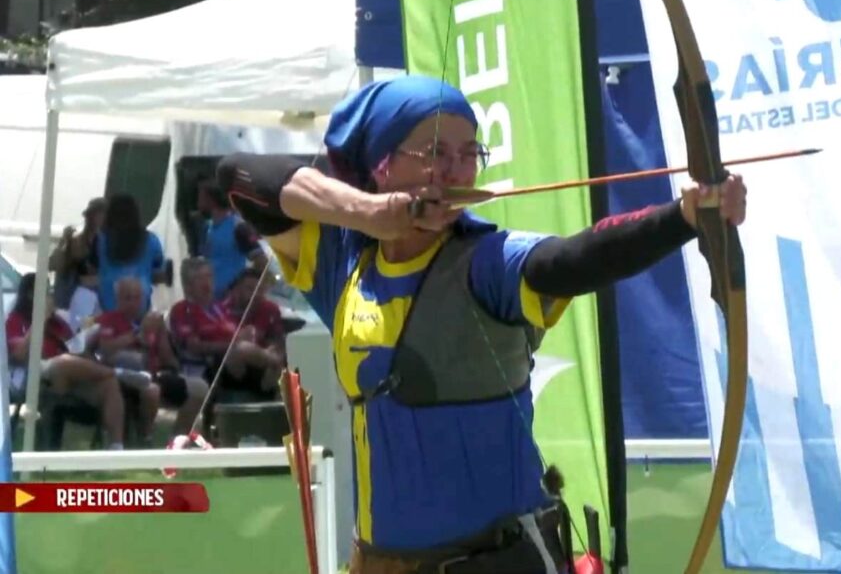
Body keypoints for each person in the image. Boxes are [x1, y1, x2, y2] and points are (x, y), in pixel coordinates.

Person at [215, 75, 747, 574]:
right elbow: (239, 176)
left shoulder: (488, 259)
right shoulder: (342, 257)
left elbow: (574, 259)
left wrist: (681, 218)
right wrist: (370, 214)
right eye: (435, 153)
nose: (457, 170)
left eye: (470, 154)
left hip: (497, 561)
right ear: (382, 165)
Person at [5, 273, 127, 450]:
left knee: (109, 384)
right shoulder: (15, 321)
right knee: (63, 362)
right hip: (34, 372)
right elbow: (19, 354)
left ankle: (116, 448)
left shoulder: (58, 323)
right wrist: (40, 319)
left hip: (69, 374)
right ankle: (119, 373)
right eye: (47, 292)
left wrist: (89, 344)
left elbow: (76, 349)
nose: (51, 297)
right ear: (32, 294)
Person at [91, 277, 209, 443]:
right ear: (117, 299)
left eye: (136, 297)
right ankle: (145, 438)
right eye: (127, 298)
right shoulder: (109, 320)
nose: (133, 302)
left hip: (156, 373)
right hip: (125, 377)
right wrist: (139, 334)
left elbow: (167, 357)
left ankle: (178, 440)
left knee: (200, 388)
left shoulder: (152, 320)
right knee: (151, 391)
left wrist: (161, 334)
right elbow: (106, 349)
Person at [168, 258, 282, 400]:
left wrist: (244, 335)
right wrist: (232, 345)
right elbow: (194, 347)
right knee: (243, 350)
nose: (206, 283)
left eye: (209, 276)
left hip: (235, 363)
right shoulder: (182, 310)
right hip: (207, 367)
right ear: (188, 285)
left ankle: (270, 373)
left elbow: (235, 335)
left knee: (252, 343)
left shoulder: (218, 309)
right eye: (199, 278)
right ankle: (272, 364)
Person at [195, 179, 268, 300]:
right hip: (210, 302)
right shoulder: (207, 228)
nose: (197, 200)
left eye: (200, 196)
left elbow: (262, 262)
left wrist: (246, 288)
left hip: (232, 303)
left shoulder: (238, 227)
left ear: (211, 199)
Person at [92, 194, 166, 313]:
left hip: (108, 303)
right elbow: (159, 272)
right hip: (140, 302)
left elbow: (93, 269)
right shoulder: (151, 240)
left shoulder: (100, 240)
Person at [49, 197, 106, 309]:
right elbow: (51, 265)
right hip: (69, 301)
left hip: (95, 303)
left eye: (101, 214)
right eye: (94, 214)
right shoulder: (74, 241)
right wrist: (63, 242)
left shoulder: (107, 245)